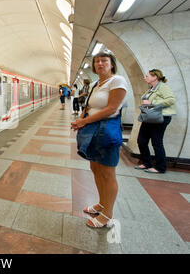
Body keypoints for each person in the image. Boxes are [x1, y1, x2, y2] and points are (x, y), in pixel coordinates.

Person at [71, 51, 127, 228]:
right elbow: (89, 106)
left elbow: (111, 108)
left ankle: (107, 215)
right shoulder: (96, 83)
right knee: (95, 168)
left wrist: (84, 121)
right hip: (93, 131)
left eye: (104, 61)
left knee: (107, 173)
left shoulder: (117, 81)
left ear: (112, 64)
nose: (100, 64)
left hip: (107, 131)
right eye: (97, 61)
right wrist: (81, 119)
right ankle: (102, 204)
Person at [135, 69, 176, 174]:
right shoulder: (151, 89)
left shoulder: (163, 87)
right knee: (141, 140)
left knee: (156, 142)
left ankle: (160, 167)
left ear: (155, 77)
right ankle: (146, 162)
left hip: (160, 118)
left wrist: (152, 102)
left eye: (147, 76)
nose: (145, 78)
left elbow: (171, 100)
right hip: (150, 118)